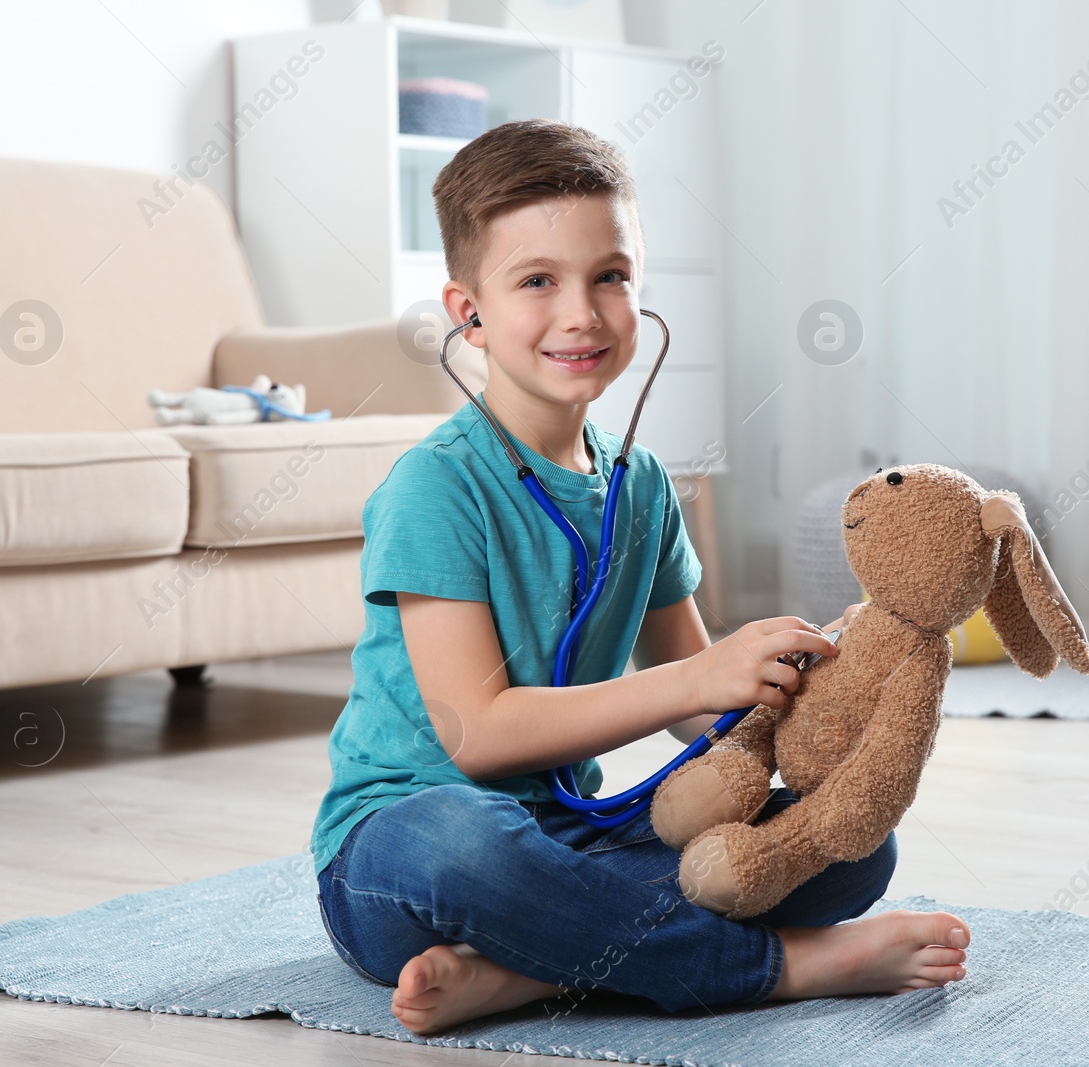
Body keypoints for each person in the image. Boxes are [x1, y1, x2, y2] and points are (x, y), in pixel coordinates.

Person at [311, 119, 970, 1036]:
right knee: (465, 840)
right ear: (468, 311)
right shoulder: (437, 484)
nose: (581, 312)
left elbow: (701, 711)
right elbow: (479, 734)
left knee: (848, 845)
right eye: (537, 280)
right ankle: (777, 969)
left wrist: (817, 687)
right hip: (401, 860)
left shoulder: (644, 484)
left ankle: (525, 971)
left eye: (610, 276)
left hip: (569, 832)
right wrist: (699, 677)